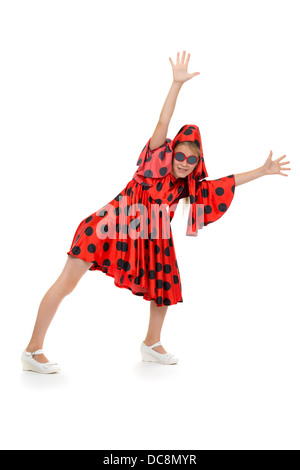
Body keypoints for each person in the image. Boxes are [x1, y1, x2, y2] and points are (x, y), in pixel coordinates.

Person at [21, 51, 291, 373]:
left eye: (191, 160)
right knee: (67, 283)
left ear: (196, 164)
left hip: (152, 234)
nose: (183, 163)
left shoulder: (187, 186)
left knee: (164, 283)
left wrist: (261, 171)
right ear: (170, 151)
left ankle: (151, 343)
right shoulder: (155, 159)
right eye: (180, 155)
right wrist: (176, 84)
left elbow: (224, 184)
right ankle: (32, 349)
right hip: (111, 226)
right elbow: (163, 121)